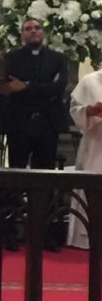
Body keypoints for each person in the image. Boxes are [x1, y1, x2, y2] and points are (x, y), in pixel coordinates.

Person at [2, 17, 68, 251]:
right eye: (28, 29)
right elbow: (10, 88)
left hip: (47, 125)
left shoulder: (58, 59)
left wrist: (28, 86)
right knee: (15, 177)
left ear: (44, 32)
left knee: (45, 178)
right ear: (22, 34)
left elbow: (58, 89)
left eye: (37, 28)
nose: (33, 32)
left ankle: (46, 233)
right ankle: (10, 231)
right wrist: (42, 88)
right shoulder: (11, 58)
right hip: (19, 124)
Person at [66, 68, 102, 249]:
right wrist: (89, 110)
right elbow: (74, 110)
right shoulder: (90, 81)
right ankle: (86, 238)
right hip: (96, 144)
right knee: (90, 191)